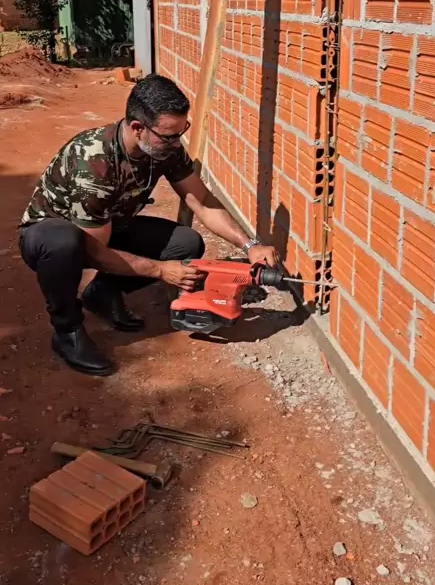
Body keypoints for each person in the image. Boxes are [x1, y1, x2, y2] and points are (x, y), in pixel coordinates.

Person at [19, 74, 280, 376]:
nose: (176, 142)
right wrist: (160, 270)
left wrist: (250, 245)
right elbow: (93, 252)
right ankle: (67, 331)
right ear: (137, 128)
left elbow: (202, 200)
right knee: (62, 241)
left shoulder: (164, 148)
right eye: (168, 136)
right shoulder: (93, 162)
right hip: (53, 237)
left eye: (182, 132)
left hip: (108, 227)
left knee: (186, 243)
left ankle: (102, 292)